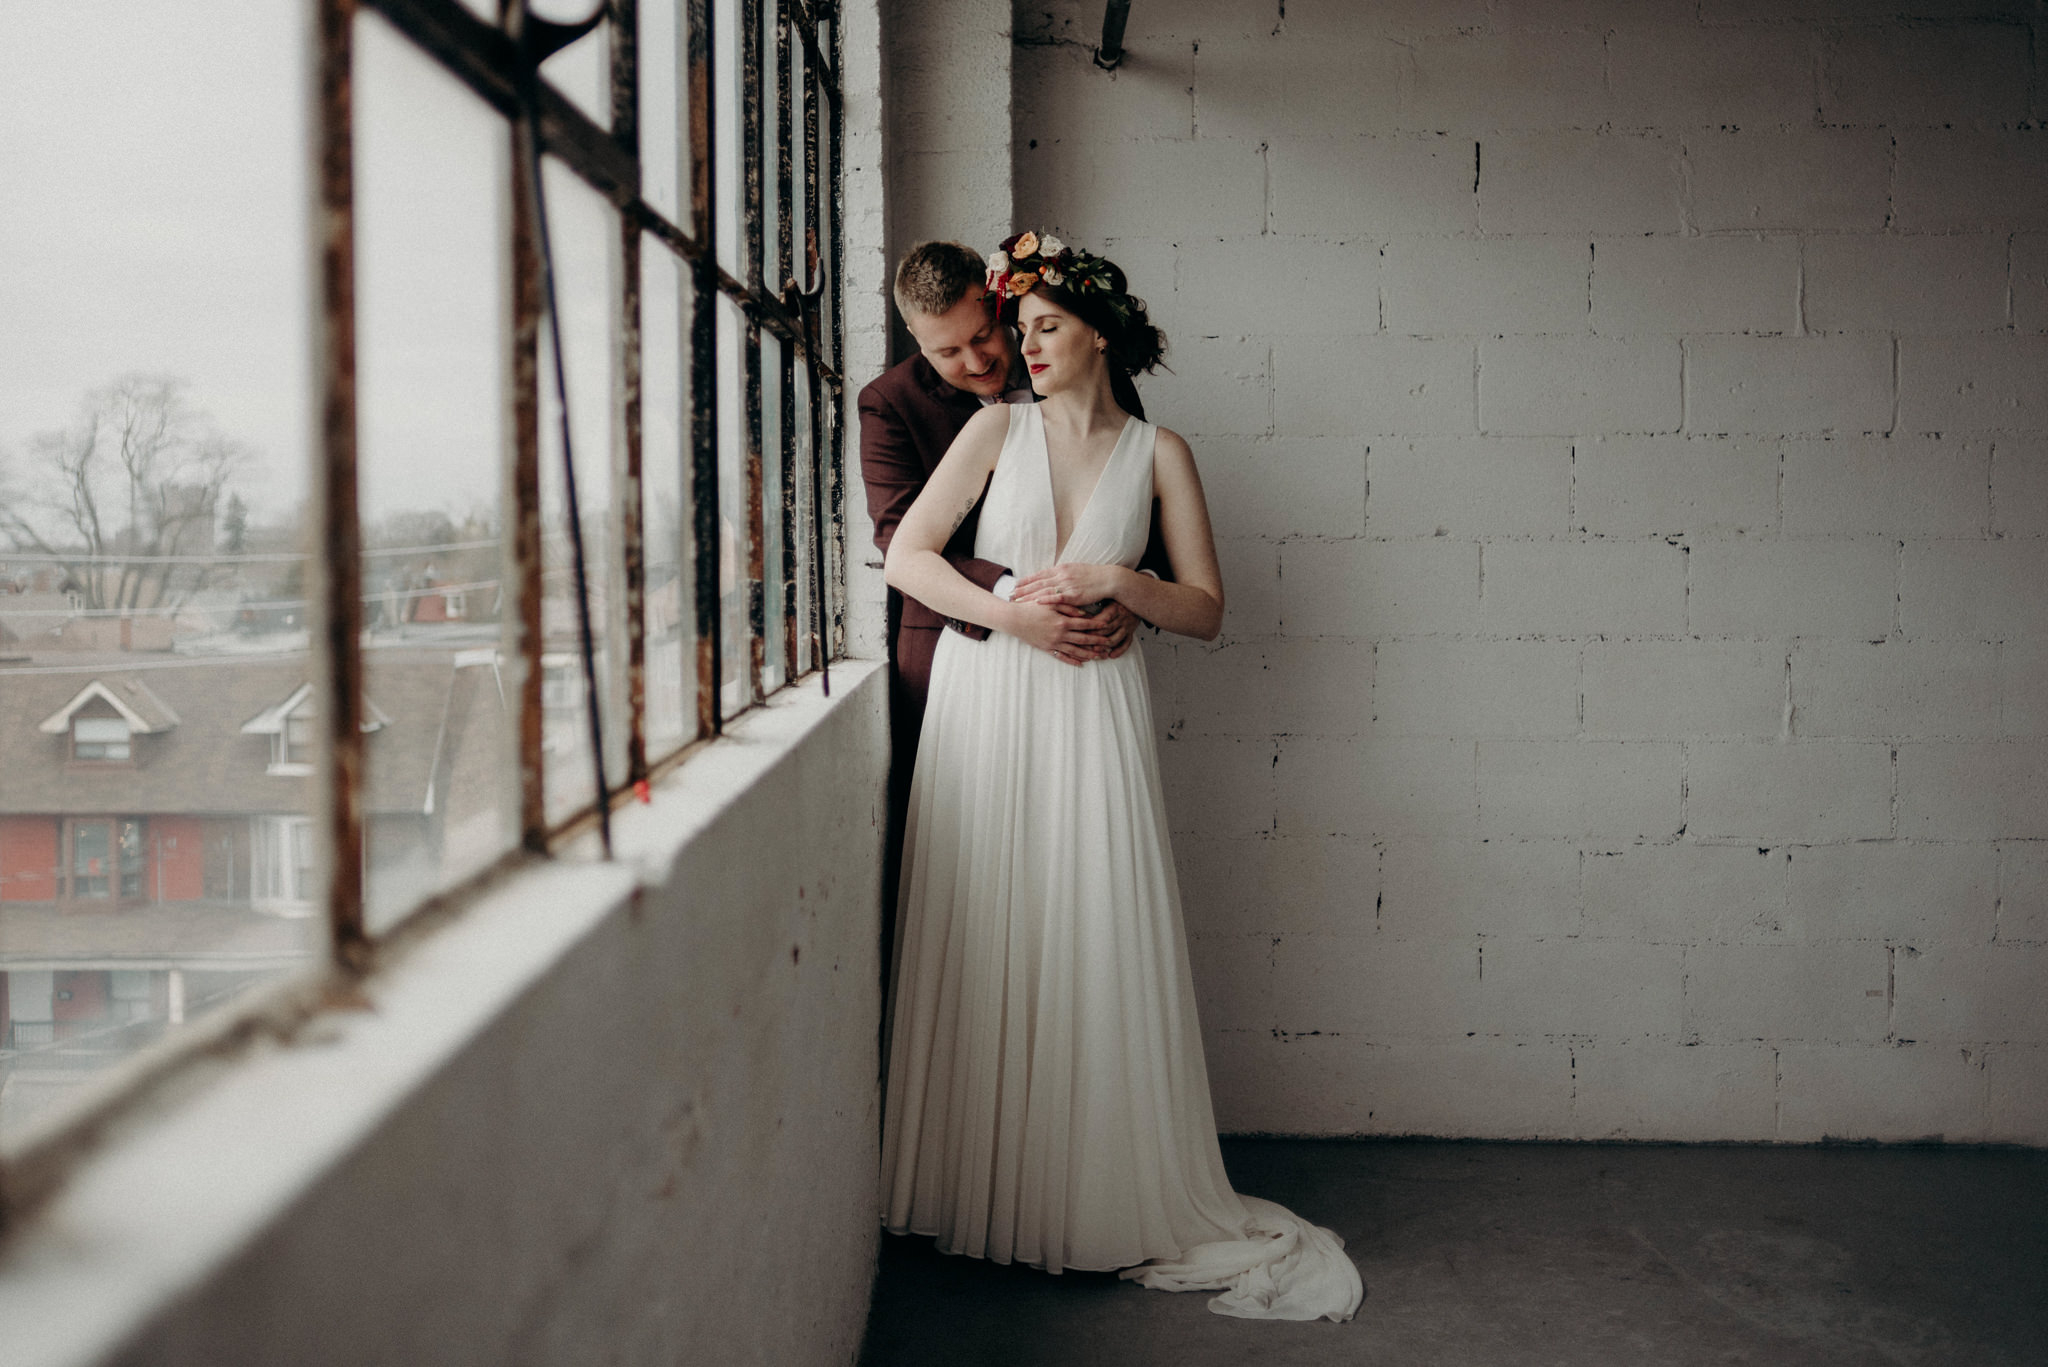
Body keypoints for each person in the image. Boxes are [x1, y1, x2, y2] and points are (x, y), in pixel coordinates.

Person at [878, 232, 1363, 1322]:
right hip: (989, 699)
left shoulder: (1161, 452)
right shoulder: (990, 430)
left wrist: (1116, 578)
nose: (1023, 345)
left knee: (1090, 930)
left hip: (1094, 710)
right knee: (992, 919)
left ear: (1097, 328)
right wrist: (1012, 616)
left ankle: (1092, 1192)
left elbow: (1205, 607)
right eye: (1021, 328)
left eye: (1044, 325)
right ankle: (977, 1185)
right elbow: (907, 554)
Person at [858, 242, 1166, 962]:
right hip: (958, 654)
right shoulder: (891, 403)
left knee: (1084, 876)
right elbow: (902, 538)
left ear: (1001, 306)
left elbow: (1129, 501)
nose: (975, 362)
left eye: (982, 334)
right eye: (947, 353)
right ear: (917, 345)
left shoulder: (1084, 366)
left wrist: (1133, 595)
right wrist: (1015, 600)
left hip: (1087, 667)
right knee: (979, 885)